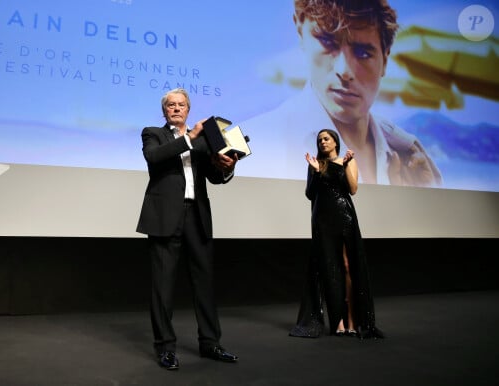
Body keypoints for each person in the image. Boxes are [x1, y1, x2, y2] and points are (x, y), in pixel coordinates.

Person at [240, 0, 442, 187]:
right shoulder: (252, 141)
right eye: (328, 43)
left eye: (363, 53)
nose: (344, 70)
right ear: (300, 33)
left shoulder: (411, 157)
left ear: (385, 60)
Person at [136, 88, 239, 370]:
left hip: (197, 215)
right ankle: (165, 348)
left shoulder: (203, 142)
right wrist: (189, 138)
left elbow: (215, 177)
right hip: (165, 216)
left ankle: (210, 343)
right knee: (163, 286)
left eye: (181, 104)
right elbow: (154, 158)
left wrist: (227, 166)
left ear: (188, 109)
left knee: (204, 283)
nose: (177, 108)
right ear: (165, 110)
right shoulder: (152, 133)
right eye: (171, 105)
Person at [290, 128, 384, 339]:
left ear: (335, 142)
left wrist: (348, 163)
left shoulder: (347, 160)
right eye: (319, 140)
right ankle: (338, 322)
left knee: (348, 266)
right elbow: (309, 194)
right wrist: (314, 171)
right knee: (329, 268)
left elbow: (352, 189)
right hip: (322, 219)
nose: (322, 142)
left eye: (326, 138)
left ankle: (352, 320)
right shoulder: (316, 164)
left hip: (344, 216)